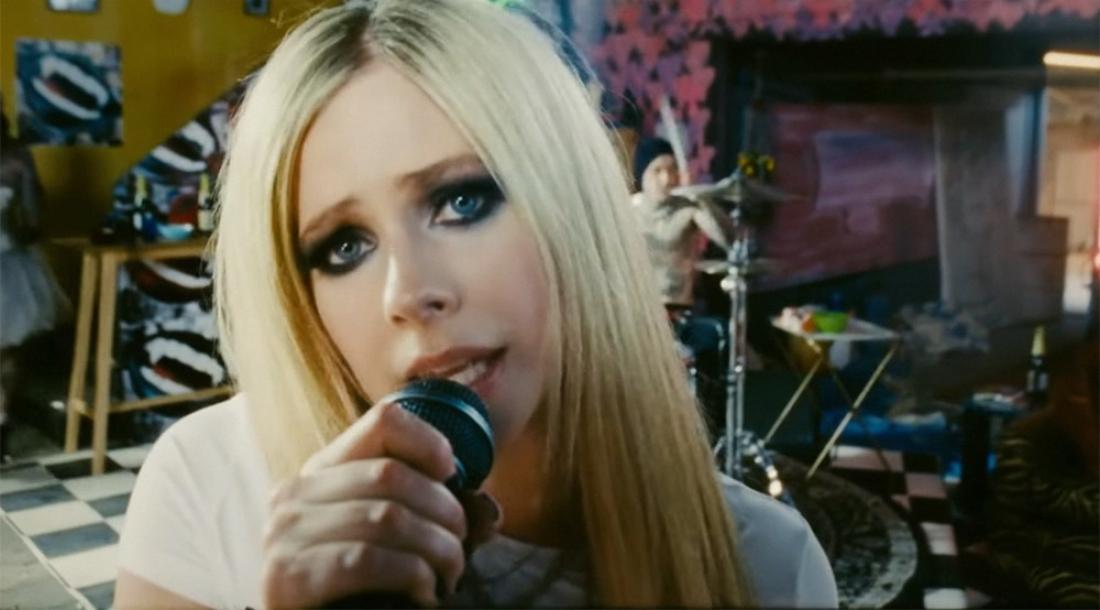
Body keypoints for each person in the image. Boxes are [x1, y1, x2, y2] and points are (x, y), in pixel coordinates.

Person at [115, 2, 837, 608]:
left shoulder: (768, 564)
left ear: (572, 207)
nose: (407, 293)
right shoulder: (209, 480)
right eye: (344, 247)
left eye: (461, 201)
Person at [0, 105, 70, 461]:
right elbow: (33, 216)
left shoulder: (17, 156)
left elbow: (33, 217)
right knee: (9, 353)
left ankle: (2, 422)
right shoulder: (16, 156)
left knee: (10, 351)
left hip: (10, 264)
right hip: (12, 259)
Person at [630, 137, 735, 311]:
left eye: (672, 169)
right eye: (657, 171)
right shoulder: (628, 210)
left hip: (679, 307)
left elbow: (729, 240)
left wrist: (700, 197)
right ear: (642, 175)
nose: (667, 179)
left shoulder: (688, 207)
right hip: (638, 305)